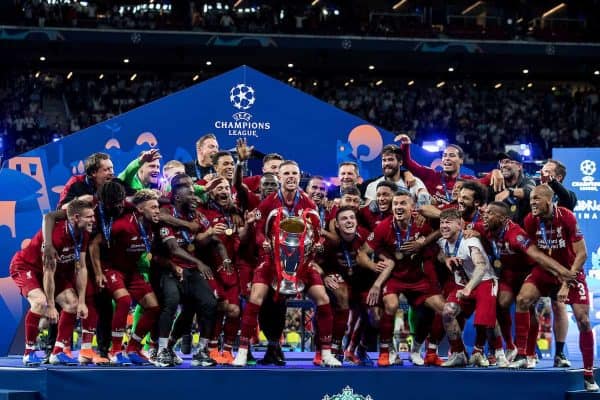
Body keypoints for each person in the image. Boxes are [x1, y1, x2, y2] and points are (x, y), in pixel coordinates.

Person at [232, 160, 341, 367]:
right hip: (272, 262)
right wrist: (262, 243)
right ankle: (242, 352)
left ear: (299, 177)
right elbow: (258, 233)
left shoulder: (308, 203)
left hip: (301, 264)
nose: (291, 177)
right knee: (256, 298)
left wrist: (318, 246)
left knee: (323, 299)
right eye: (287, 174)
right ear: (280, 178)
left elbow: (316, 233)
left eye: (294, 173)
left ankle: (326, 353)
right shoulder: (267, 203)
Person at [509, 185, 597, 392]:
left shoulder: (566, 216)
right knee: (523, 299)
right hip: (546, 271)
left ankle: (588, 373)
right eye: (531, 200)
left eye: (537, 200)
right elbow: (533, 252)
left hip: (571, 271)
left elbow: (582, 254)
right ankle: (522, 355)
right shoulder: (531, 220)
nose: (532, 203)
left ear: (549, 201)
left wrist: (566, 283)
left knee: (583, 320)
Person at [359, 190, 445, 367]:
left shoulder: (422, 223)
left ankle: (421, 350)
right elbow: (362, 253)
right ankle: (385, 351)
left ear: (412, 207)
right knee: (390, 305)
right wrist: (373, 266)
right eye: (395, 204)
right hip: (395, 277)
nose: (398, 207)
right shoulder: (384, 226)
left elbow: (441, 230)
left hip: (420, 277)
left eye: (403, 203)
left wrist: (423, 242)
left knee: (444, 310)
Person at [11, 200, 94, 366]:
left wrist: (83, 302)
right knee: (40, 303)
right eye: (89, 217)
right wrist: (50, 305)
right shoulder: (56, 235)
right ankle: (29, 352)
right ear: (76, 218)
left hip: (56, 272)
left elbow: (82, 268)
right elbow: (48, 272)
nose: (94, 220)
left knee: (72, 304)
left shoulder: (84, 234)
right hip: (28, 267)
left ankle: (58, 351)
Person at [92, 189, 162, 366]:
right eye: (153, 207)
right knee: (123, 300)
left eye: (158, 207)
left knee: (153, 307)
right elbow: (94, 245)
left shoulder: (154, 224)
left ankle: (133, 348)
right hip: (112, 269)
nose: (157, 211)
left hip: (132, 271)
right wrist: (99, 272)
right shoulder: (122, 225)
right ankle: (115, 351)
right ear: (140, 210)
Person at [153, 183, 218, 367]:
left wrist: (212, 235)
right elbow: (173, 248)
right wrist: (199, 262)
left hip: (191, 270)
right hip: (170, 269)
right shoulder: (167, 216)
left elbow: (209, 233)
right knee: (171, 301)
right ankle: (162, 350)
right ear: (178, 198)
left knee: (209, 303)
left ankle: (202, 351)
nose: (195, 197)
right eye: (190, 194)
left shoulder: (197, 215)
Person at [437, 208, 500, 367]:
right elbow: (441, 253)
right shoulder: (442, 241)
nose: (444, 226)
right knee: (448, 312)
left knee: (485, 322)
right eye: (442, 222)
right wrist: (447, 259)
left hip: (484, 281)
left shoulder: (469, 241)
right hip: (462, 284)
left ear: (460, 225)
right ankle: (458, 353)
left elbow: (481, 266)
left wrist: (468, 288)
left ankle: (492, 352)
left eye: (448, 223)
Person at [540, 158, 577, 367]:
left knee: (558, 305)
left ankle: (560, 353)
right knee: (527, 301)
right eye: (542, 171)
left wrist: (551, 182)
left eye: (548, 172)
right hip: (537, 258)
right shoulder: (533, 196)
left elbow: (568, 199)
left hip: (561, 262)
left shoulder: (566, 199)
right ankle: (526, 353)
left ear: (558, 177)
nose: (542, 174)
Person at [364, 144, 429, 205]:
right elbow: (368, 212)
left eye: (390, 160)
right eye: (384, 160)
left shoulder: (414, 182)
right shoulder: (373, 185)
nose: (386, 163)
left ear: (400, 162)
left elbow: (425, 203)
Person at [491, 150, 536, 225]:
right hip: (501, 230)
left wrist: (510, 192)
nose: (503, 165)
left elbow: (531, 192)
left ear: (519, 166)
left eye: (508, 162)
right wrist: (492, 172)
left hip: (523, 229)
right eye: (501, 162)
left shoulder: (527, 180)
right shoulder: (496, 182)